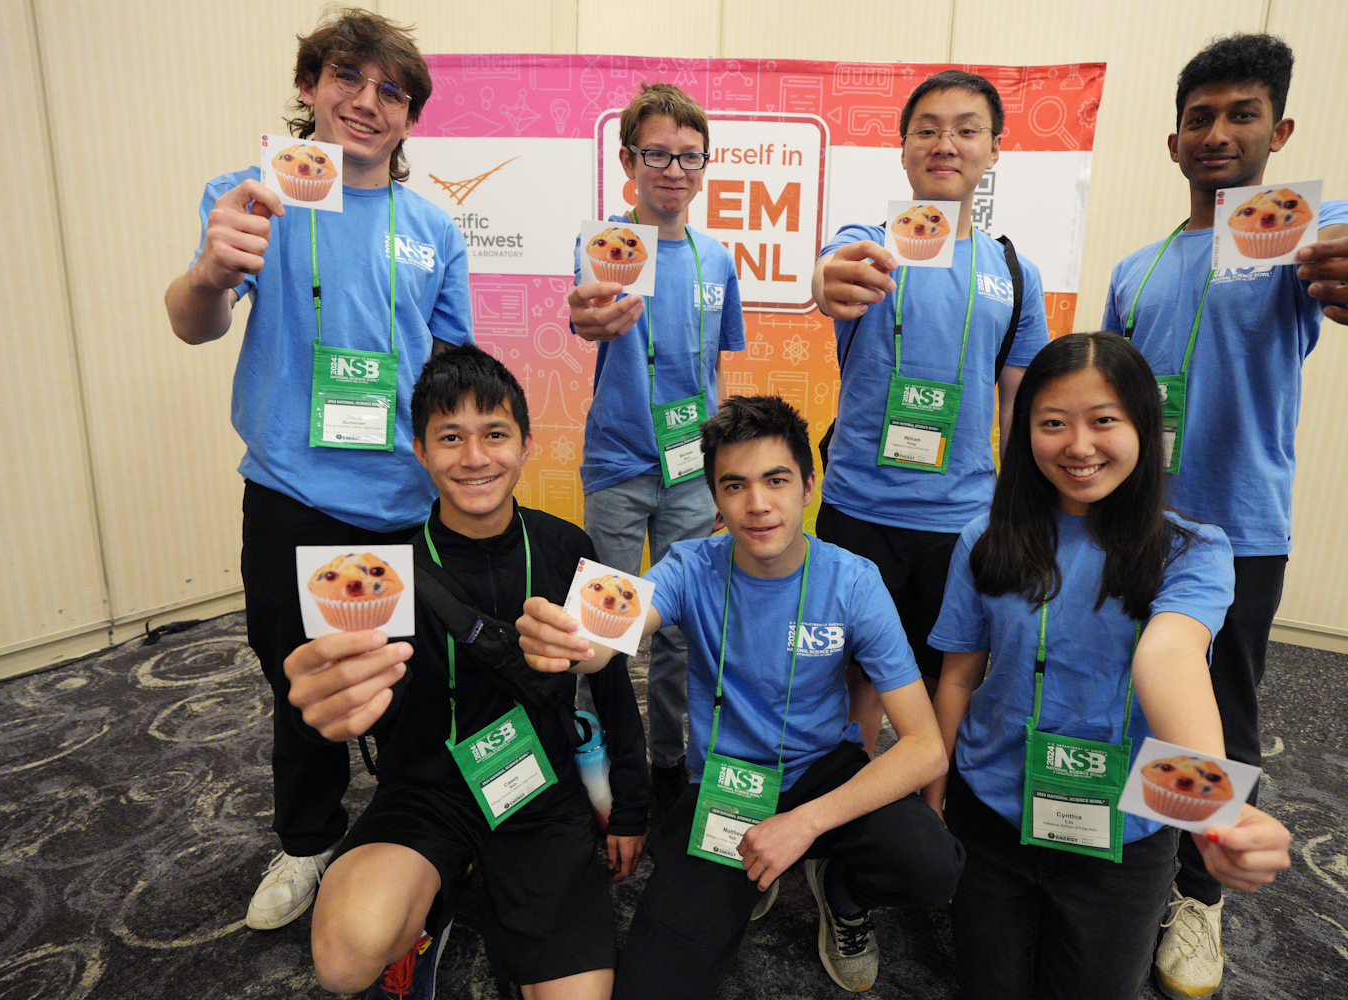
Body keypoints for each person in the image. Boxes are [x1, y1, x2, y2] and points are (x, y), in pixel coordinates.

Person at [1101, 33, 1348, 998]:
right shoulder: (1136, 266)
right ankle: (1126, 851)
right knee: (1127, 696)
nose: (1219, 133)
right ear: (1173, 142)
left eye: (1243, 115)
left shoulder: (1282, 233)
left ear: (1278, 132)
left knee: (1220, 715)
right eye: (1200, 117)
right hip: (1139, 528)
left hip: (1241, 530)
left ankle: (1198, 895)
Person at [163, 8, 473, 931]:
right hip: (292, 495)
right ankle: (305, 840)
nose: (367, 102)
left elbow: (452, 367)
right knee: (299, 679)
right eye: (347, 78)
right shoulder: (256, 196)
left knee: (409, 682)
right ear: (310, 87)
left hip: (404, 503)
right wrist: (213, 273)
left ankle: (407, 832)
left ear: (411, 116)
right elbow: (194, 320)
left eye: (391, 90)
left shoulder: (432, 226)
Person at [518, 395, 963, 998]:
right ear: (716, 500)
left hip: (822, 772)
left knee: (933, 864)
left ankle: (843, 893)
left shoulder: (854, 580)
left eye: (776, 480)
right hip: (726, 783)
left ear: (808, 485)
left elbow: (925, 748)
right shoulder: (690, 565)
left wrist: (801, 826)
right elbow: (612, 627)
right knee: (656, 985)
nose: (757, 504)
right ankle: (758, 868)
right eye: (735, 485)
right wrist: (569, 635)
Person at [925, 332, 1292, 1000]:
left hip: (1128, 825)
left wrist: (1213, 809)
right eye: (1052, 423)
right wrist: (934, 800)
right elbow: (957, 675)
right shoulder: (986, 539)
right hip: (994, 813)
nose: (1079, 446)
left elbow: (1170, 656)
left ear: (1144, 430)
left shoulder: (1193, 551)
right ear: (1023, 429)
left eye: (1104, 421)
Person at [284, 345, 648, 1000]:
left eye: (495, 434)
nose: (475, 458)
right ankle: (421, 924)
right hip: (426, 790)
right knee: (345, 958)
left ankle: (458, 893)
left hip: (541, 787)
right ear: (420, 450)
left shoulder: (570, 547)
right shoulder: (378, 567)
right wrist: (322, 709)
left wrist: (629, 806)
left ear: (527, 443)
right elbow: (351, 698)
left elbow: (612, 685)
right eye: (450, 437)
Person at [811, 70, 1050, 753]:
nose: (946, 143)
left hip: (963, 517)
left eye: (966, 129)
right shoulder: (871, 240)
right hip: (861, 507)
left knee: (950, 674)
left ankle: (932, 809)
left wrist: (1021, 509)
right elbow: (831, 275)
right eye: (928, 129)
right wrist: (828, 277)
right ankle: (847, 808)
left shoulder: (1015, 271)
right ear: (905, 148)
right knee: (853, 673)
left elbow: (1017, 402)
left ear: (994, 151)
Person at [566, 83, 746, 809]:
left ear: (704, 166)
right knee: (602, 626)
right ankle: (603, 756)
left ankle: (671, 757)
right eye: (657, 154)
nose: (673, 169)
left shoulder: (720, 258)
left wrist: (725, 474)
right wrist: (589, 317)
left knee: (681, 628)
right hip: (616, 465)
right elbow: (586, 322)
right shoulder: (606, 247)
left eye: (688, 156)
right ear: (628, 160)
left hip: (692, 473)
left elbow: (717, 371)